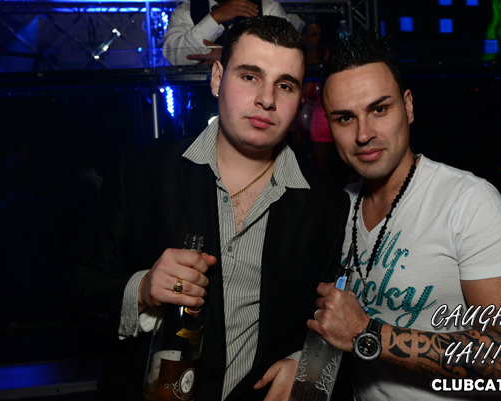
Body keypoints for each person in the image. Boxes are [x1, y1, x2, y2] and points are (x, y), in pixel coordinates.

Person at [59, 16, 348, 401]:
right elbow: (75, 287)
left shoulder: (327, 203)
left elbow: (331, 318)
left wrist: (307, 366)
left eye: (285, 85)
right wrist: (142, 289)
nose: (266, 99)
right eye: (250, 76)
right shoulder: (141, 170)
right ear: (217, 78)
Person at [308, 29, 501, 400]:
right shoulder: (340, 206)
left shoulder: (468, 203)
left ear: (408, 107)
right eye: (345, 118)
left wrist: (369, 334)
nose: (364, 134)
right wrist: (300, 368)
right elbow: (332, 323)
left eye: (379, 109)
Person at [163, 0, 303, 65]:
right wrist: (215, 18)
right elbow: (174, 57)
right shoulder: (185, 11)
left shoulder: (268, 8)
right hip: (200, 102)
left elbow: (286, 57)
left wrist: (228, 57)